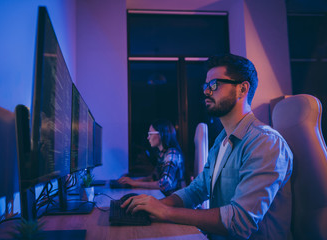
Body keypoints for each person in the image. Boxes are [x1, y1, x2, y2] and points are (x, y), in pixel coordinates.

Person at [121, 54, 293, 239]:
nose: (206, 92)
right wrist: (157, 204)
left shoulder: (265, 142)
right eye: (206, 86)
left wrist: (165, 212)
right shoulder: (221, 141)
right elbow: (196, 190)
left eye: (214, 85)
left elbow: (239, 222)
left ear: (242, 89)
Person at [118, 119, 185, 196]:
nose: (148, 137)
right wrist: (132, 181)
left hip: (176, 202)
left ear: (161, 134)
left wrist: (135, 183)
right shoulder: (162, 154)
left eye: (150, 133)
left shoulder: (172, 154)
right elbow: (153, 177)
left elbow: (165, 184)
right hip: (166, 197)